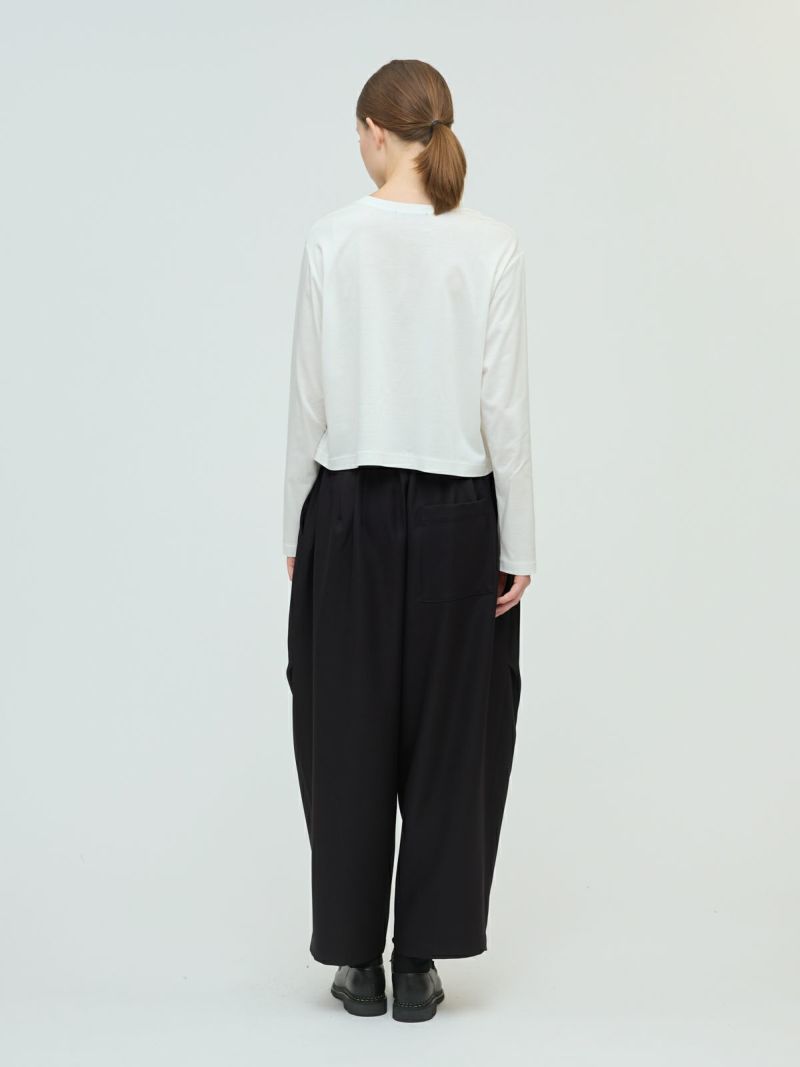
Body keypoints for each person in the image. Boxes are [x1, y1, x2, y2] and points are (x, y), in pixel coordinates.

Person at [282, 59, 536, 1023]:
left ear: (375, 132)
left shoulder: (331, 238)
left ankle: (357, 958)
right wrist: (520, 540)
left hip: (347, 509)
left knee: (341, 727)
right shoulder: (492, 245)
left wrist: (295, 525)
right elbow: (504, 409)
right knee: (455, 733)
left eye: (359, 132)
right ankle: (419, 959)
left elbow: (307, 401)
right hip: (460, 519)